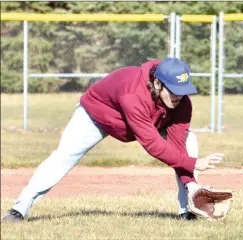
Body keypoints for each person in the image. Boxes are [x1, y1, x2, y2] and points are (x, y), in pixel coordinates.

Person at [2, 57, 224, 223]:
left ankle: (187, 209)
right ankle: (20, 208)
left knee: (189, 141)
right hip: (97, 115)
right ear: (157, 84)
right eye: (174, 90)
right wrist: (194, 163)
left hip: (145, 121)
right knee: (64, 157)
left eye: (183, 91)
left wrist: (191, 184)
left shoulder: (181, 103)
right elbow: (153, 145)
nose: (179, 96)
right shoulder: (133, 93)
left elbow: (177, 148)